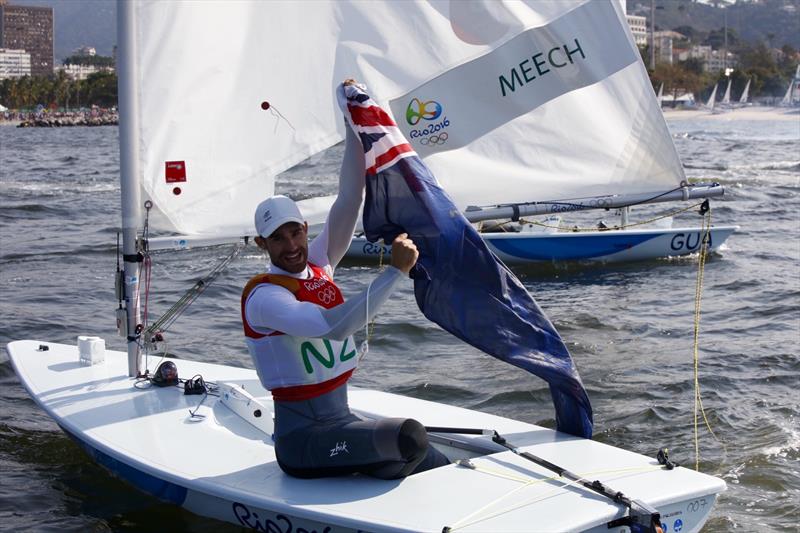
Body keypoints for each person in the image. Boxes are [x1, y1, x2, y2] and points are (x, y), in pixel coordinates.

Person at [241, 81, 449, 480]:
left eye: (295, 233)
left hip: (342, 423)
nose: (290, 246)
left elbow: (350, 198)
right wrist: (394, 272)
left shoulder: (320, 264)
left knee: (432, 460)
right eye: (277, 239)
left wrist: (355, 124)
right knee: (408, 438)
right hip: (304, 443)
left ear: (305, 229)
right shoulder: (264, 298)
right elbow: (335, 327)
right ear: (261, 243)